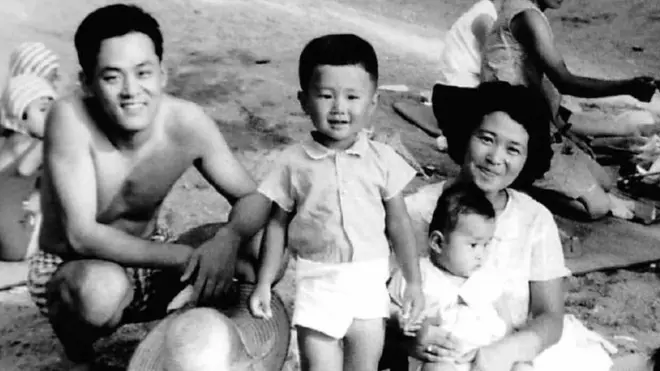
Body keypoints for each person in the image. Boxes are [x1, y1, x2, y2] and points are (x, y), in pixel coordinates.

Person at [24, 4, 286, 370]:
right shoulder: (69, 118)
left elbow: (256, 197)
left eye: (143, 73)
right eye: (112, 77)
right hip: (75, 267)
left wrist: (227, 238)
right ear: (86, 82)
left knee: (264, 246)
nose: (132, 91)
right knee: (101, 291)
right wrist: (191, 258)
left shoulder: (185, 120)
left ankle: (198, 343)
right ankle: (78, 349)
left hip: (152, 257)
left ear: (163, 74)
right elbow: (82, 235)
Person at [248, 33, 425, 371]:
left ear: (372, 102)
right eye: (326, 95)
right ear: (303, 101)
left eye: (353, 96)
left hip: (369, 284)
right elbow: (277, 226)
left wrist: (413, 282)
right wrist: (264, 283)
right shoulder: (292, 162)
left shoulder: (383, 159)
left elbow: (399, 223)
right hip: (318, 283)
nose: (339, 108)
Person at [391, 181, 614, 371]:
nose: (482, 254)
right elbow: (392, 313)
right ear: (438, 242)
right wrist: (411, 327)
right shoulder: (417, 275)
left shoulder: (484, 277)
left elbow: (505, 317)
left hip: (489, 355)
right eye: (473, 245)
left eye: (486, 245)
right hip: (445, 357)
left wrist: (502, 349)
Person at [480, 0, 659, 220]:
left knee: (603, 181)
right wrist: (628, 87)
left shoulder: (528, 12)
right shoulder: (527, 17)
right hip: (511, 126)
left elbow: (538, 86)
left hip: (527, 118)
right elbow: (564, 82)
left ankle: (531, 174)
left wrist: (562, 129)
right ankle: (520, 184)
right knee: (596, 207)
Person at [0, 42, 62, 261]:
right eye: (51, 76)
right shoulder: (36, 143)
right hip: (18, 241)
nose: (56, 84)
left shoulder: (11, 134)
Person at [437, 0, 498, 88]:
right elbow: (492, 65)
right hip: (463, 81)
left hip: (459, 77)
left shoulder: (486, 9)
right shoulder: (486, 17)